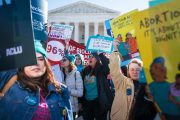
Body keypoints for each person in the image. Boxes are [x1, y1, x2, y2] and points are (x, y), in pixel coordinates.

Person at [0, 41, 73, 120]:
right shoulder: (10, 85)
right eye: (30, 59)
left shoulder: (61, 90)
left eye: (40, 59)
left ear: (46, 64)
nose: (36, 63)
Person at [109, 40, 143, 120]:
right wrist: (115, 50)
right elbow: (114, 68)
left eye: (137, 69)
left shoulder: (146, 86)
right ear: (128, 71)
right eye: (132, 69)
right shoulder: (121, 81)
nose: (134, 72)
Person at [80, 52, 114, 120]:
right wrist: (80, 102)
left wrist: (100, 54)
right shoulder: (85, 70)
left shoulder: (102, 69)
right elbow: (82, 87)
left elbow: (108, 63)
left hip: (99, 102)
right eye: (89, 57)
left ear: (97, 59)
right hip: (87, 102)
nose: (90, 58)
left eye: (92, 57)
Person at [61, 54, 83, 119]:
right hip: (61, 107)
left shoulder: (76, 74)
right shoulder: (60, 74)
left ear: (70, 62)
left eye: (64, 60)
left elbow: (80, 93)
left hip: (72, 109)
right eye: (61, 60)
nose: (62, 61)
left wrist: (67, 90)